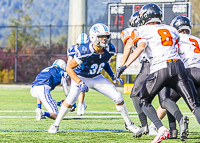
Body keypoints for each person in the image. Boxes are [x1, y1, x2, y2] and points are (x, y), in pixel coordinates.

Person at [115, 3, 200, 143]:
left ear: (145, 17)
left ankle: (161, 129)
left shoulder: (140, 30)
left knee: (143, 100)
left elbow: (140, 47)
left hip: (160, 68)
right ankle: (176, 123)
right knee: (195, 105)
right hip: (179, 67)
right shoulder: (172, 30)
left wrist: (124, 65)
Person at [48, 23, 140, 134]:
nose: (105, 39)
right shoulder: (85, 51)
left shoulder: (109, 49)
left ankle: (129, 124)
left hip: (96, 77)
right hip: (81, 76)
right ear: (93, 37)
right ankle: (55, 124)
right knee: (71, 99)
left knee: (118, 96)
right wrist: (79, 82)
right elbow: (69, 68)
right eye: (101, 36)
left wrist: (113, 77)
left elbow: (104, 63)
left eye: (106, 36)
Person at [154, 15, 200, 139]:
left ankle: (161, 128)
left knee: (168, 100)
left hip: (186, 72)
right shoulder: (197, 39)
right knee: (197, 106)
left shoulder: (176, 38)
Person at [120, 11, 158, 137]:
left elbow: (130, 45)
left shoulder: (139, 31)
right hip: (170, 65)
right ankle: (174, 125)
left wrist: (123, 65)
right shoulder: (162, 29)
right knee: (167, 99)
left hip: (150, 65)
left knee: (136, 93)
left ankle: (146, 126)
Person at [67, 33, 89, 115]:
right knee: (74, 92)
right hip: (75, 70)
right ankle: (82, 103)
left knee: (81, 86)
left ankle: (80, 106)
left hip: (83, 71)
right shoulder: (72, 49)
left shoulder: (90, 49)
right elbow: (69, 62)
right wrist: (68, 71)